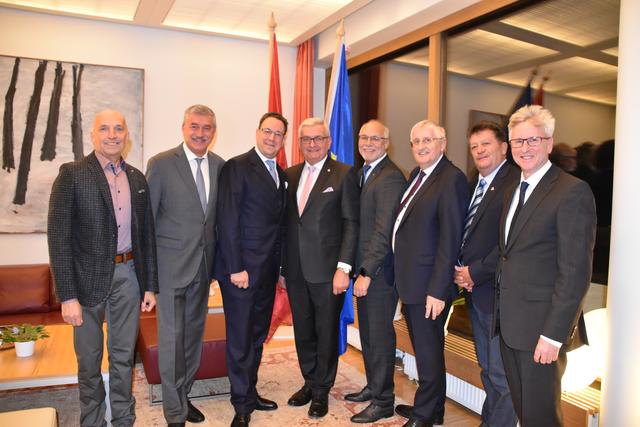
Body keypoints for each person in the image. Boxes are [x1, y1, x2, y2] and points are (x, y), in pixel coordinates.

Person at [48, 109, 158, 427]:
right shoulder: (72, 174)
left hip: (128, 276)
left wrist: (149, 285)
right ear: (93, 135)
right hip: (84, 282)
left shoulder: (137, 178)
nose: (112, 134)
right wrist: (67, 296)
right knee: (89, 359)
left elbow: (145, 236)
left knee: (124, 356)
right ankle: (93, 420)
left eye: (119, 129)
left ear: (127, 135)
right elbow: (59, 239)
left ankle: (123, 417)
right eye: (105, 129)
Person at [496, 105, 596, 426]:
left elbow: (575, 273)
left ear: (549, 143)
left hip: (541, 332)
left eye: (532, 140)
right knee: (525, 414)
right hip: (510, 326)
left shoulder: (572, 192)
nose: (524, 148)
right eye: (517, 142)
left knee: (541, 418)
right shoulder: (513, 189)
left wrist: (554, 336)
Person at [146, 104, 225, 427]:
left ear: (213, 132)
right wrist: (148, 278)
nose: (200, 133)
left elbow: (217, 221)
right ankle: (173, 411)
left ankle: (184, 394)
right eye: (195, 126)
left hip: (202, 269)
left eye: (207, 128)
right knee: (172, 341)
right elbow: (146, 223)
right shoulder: (162, 164)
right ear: (183, 128)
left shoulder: (220, 166)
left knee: (193, 338)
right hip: (169, 270)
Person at [214, 112, 288, 427]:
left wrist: (281, 267)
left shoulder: (281, 174)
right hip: (241, 272)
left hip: (267, 271)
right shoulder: (237, 166)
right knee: (241, 338)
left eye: (278, 134)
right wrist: (235, 267)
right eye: (267, 131)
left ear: (283, 140)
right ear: (257, 132)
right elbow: (227, 219)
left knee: (257, 335)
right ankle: (241, 403)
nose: (272, 138)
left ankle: (251, 391)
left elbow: (279, 226)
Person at [392, 120, 467, 427]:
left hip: (428, 288)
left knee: (428, 353)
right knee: (427, 351)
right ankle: (433, 410)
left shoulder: (451, 179)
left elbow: (450, 239)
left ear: (443, 143)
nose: (421, 146)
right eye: (416, 141)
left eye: (428, 140)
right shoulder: (417, 175)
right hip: (411, 282)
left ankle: (424, 417)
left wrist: (437, 289)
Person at [282, 117, 359, 419]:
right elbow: (286, 225)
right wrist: (282, 267)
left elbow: (351, 224)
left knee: (325, 331)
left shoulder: (344, 174)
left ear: (328, 142)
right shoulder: (289, 174)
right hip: (296, 269)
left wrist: (344, 267)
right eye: (306, 139)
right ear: (299, 143)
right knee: (303, 330)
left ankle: (322, 391)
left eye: (318, 138)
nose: (312, 144)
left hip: (329, 272)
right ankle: (309, 382)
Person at [454, 121, 519, 427]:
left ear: (503, 147)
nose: (479, 151)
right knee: (487, 368)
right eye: (474, 146)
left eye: (486, 144)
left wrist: (474, 272)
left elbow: (509, 242)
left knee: (501, 375)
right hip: (475, 293)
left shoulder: (514, 182)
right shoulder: (474, 182)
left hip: (498, 293)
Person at [344, 120, 405, 423]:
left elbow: (384, 231)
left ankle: (384, 402)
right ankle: (374, 386)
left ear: (386, 143)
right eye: (363, 137)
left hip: (379, 274)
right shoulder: (364, 173)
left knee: (379, 337)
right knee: (367, 333)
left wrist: (367, 271)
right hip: (365, 271)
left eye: (375, 138)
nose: (368, 142)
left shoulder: (391, 178)